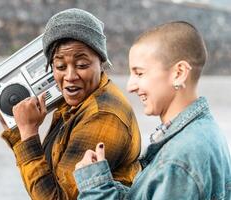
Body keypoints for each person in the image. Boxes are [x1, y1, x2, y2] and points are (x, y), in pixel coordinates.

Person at [0, 8, 141, 200]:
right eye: (60, 66)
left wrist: (29, 133)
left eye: (82, 65)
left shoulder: (103, 115)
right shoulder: (76, 102)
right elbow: (48, 173)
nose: (70, 76)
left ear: (102, 62)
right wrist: (11, 122)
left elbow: (56, 197)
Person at [74, 21, 231, 199]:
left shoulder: (178, 160)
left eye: (139, 73)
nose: (130, 86)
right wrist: (100, 183)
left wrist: (95, 191)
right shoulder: (207, 132)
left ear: (178, 73)